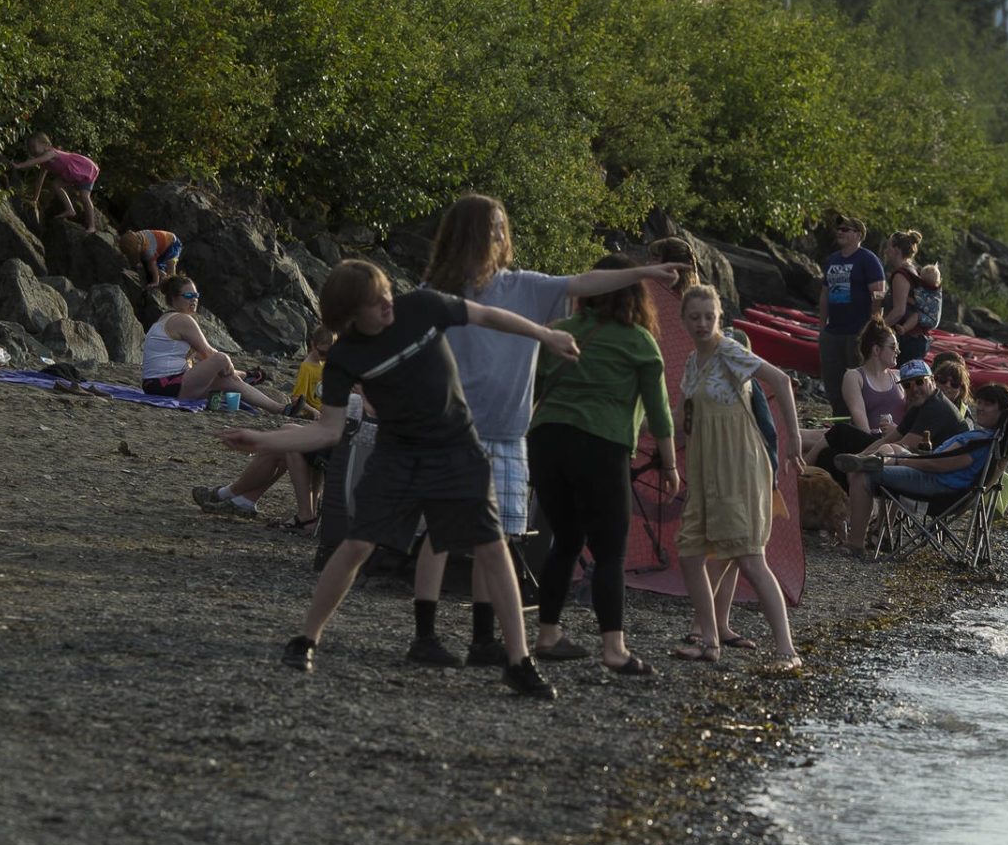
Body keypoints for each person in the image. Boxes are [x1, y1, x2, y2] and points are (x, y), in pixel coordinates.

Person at [220, 259, 575, 698]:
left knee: (492, 544)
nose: (388, 301)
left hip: (458, 450)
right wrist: (262, 438)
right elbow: (328, 430)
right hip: (398, 457)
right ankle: (306, 639)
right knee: (355, 545)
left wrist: (546, 334)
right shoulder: (345, 358)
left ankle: (520, 661)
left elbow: (488, 315)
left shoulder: (422, 306)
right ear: (350, 313)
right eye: (374, 300)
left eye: (386, 291)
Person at [405, 195, 687, 669]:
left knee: (494, 538)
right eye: (492, 227)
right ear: (467, 233)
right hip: (453, 428)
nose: (501, 235)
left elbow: (586, 281)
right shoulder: (434, 290)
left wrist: (644, 273)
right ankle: (425, 635)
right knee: (440, 532)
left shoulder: (525, 287)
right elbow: (410, 354)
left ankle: (481, 640)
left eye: (503, 227)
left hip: (511, 432)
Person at [526, 253, 679, 676]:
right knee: (611, 551)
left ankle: (547, 634)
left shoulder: (558, 332)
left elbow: (534, 389)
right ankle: (614, 649)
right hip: (601, 445)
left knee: (566, 540)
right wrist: (668, 465)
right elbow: (659, 411)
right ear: (635, 293)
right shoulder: (638, 341)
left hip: (548, 441)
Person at [669, 285, 804, 673]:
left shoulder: (728, 350)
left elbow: (780, 380)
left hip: (740, 468)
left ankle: (786, 652)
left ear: (719, 319)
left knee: (749, 557)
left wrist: (793, 436)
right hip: (705, 471)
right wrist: (633, 427)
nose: (701, 324)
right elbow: (681, 420)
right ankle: (710, 641)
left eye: (708, 317)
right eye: (694, 317)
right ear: (683, 320)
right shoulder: (694, 363)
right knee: (691, 554)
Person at [193, 327, 336, 530]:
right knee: (288, 429)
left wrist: (258, 439)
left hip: (353, 450)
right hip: (348, 442)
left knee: (292, 445)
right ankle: (243, 500)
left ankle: (230, 494)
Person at [837, 359, 973, 556]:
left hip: (942, 482)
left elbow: (906, 442)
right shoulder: (922, 405)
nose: (913, 389)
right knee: (881, 453)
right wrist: (859, 456)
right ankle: (876, 531)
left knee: (875, 463)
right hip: (930, 470)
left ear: (931, 381)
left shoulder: (936, 407)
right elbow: (893, 436)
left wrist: (863, 459)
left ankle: (859, 543)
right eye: (908, 385)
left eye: (919, 382)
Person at [835, 382, 1008, 504]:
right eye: (980, 402)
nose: (980, 408)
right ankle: (876, 461)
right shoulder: (987, 436)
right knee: (891, 448)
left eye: (987, 404)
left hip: (939, 485)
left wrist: (904, 461)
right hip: (940, 477)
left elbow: (938, 464)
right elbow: (939, 460)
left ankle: (855, 543)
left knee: (861, 475)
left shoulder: (980, 442)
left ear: (1002, 411)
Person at [139, 277, 286, 413]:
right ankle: (245, 375)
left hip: (158, 386)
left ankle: (279, 408)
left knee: (230, 382)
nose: (194, 300)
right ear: (174, 298)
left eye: (196, 295)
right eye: (188, 296)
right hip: (166, 384)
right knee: (222, 359)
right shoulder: (181, 320)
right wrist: (229, 368)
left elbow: (202, 356)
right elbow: (210, 354)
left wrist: (227, 373)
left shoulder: (164, 319)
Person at [801, 319, 903, 482]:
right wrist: (871, 441)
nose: (897, 351)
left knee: (834, 434)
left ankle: (798, 472)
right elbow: (858, 415)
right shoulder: (855, 376)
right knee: (823, 447)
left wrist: (898, 431)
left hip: (895, 442)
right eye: (893, 347)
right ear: (876, 349)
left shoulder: (900, 376)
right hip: (867, 439)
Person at [816, 215, 886, 417]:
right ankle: (840, 422)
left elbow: (879, 293)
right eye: (839, 228)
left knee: (858, 382)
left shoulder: (868, 260)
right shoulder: (833, 260)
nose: (840, 232)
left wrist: (875, 325)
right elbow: (824, 294)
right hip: (833, 332)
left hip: (858, 332)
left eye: (846, 229)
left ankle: (862, 424)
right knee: (833, 381)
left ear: (858, 235)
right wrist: (822, 327)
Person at [11, 133, 98, 230]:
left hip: (84, 167)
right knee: (56, 184)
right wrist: (35, 199)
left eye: (33, 147)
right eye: (29, 148)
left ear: (45, 145)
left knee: (84, 197)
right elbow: (39, 181)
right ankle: (70, 210)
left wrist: (20, 165)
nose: (31, 151)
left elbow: (35, 161)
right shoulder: (44, 164)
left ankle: (92, 226)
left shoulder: (51, 153)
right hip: (71, 173)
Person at [880, 230, 931, 363]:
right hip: (918, 339)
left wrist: (877, 330)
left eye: (888, 247)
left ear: (896, 250)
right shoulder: (914, 270)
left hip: (908, 340)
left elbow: (899, 311)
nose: (886, 251)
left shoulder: (900, 275)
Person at [118, 230, 182, 287]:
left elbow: (152, 265)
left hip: (172, 243)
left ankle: (174, 285)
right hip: (158, 248)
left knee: (170, 265)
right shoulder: (136, 237)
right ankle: (164, 277)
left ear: (139, 244)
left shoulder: (148, 249)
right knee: (152, 267)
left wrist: (155, 282)